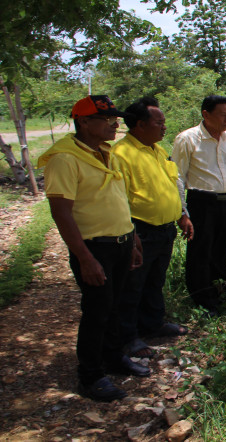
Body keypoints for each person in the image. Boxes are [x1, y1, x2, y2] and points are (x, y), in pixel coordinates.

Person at [37, 95, 150, 402]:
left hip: (122, 240)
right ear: (85, 122)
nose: (115, 124)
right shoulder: (65, 159)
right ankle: (91, 375)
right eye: (108, 119)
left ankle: (113, 357)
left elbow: (117, 199)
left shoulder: (105, 152)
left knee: (115, 306)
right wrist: (84, 258)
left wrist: (133, 237)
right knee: (97, 311)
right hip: (95, 246)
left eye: (115, 118)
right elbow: (61, 213)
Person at [111, 97, 191, 359]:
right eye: (160, 122)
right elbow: (118, 199)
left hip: (165, 229)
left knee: (155, 280)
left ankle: (153, 324)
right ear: (140, 124)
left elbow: (174, 185)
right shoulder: (121, 154)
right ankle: (128, 336)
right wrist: (130, 234)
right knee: (132, 285)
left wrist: (183, 214)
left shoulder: (157, 149)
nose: (164, 127)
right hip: (140, 231)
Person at [171, 95, 226, 316]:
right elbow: (177, 176)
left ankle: (222, 294)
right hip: (202, 203)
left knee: (223, 251)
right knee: (200, 252)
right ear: (206, 114)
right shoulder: (188, 139)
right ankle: (203, 301)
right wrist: (183, 211)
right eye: (223, 115)